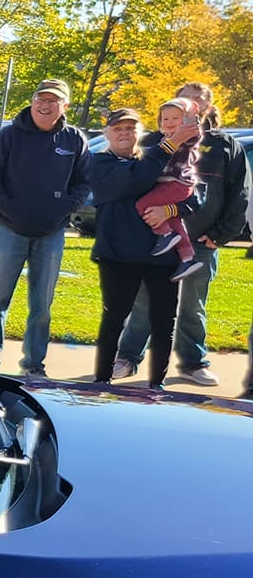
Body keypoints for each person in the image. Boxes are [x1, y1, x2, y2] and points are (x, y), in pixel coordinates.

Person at [114, 81, 250, 386]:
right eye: (184, 101)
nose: (191, 105)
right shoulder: (152, 142)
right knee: (144, 301)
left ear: (207, 109)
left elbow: (240, 195)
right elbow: (134, 186)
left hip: (200, 241)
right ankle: (126, 358)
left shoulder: (225, 146)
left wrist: (220, 235)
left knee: (192, 306)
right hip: (156, 240)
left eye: (198, 101)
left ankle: (193, 363)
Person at [0, 78, 90, 378]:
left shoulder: (74, 140)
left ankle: (34, 365)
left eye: (53, 100)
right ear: (32, 101)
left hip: (51, 234)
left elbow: (83, 181)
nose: (45, 104)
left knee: (42, 305)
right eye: (41, 98)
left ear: (64, 106)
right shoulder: (9, 137)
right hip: (9, 231)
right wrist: (7, 208)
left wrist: (63, 208)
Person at [88, 106, 198, 388]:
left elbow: (194, 195)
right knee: (114, 318)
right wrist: (170, 144)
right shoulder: (100, 163)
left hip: (161, 255)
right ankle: (102, 380)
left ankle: (156, 384)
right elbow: (136, 178)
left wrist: (171, 209)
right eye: (118, 129)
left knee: (163, 322)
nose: (124, 133)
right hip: (119, 256)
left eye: (130, 128)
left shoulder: (159, 158)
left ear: (140, 132)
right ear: (107, 134)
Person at [129, 97, 204, 281]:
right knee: (175, 221)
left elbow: (193, 132)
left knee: (142, 205)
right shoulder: (161, 140)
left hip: (178, 184)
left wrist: (191, 116)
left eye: (175, 118)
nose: (170, 123)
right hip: (168, 184)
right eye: (165, 119)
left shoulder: (186, 138)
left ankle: (165, 234)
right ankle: (188, 259)